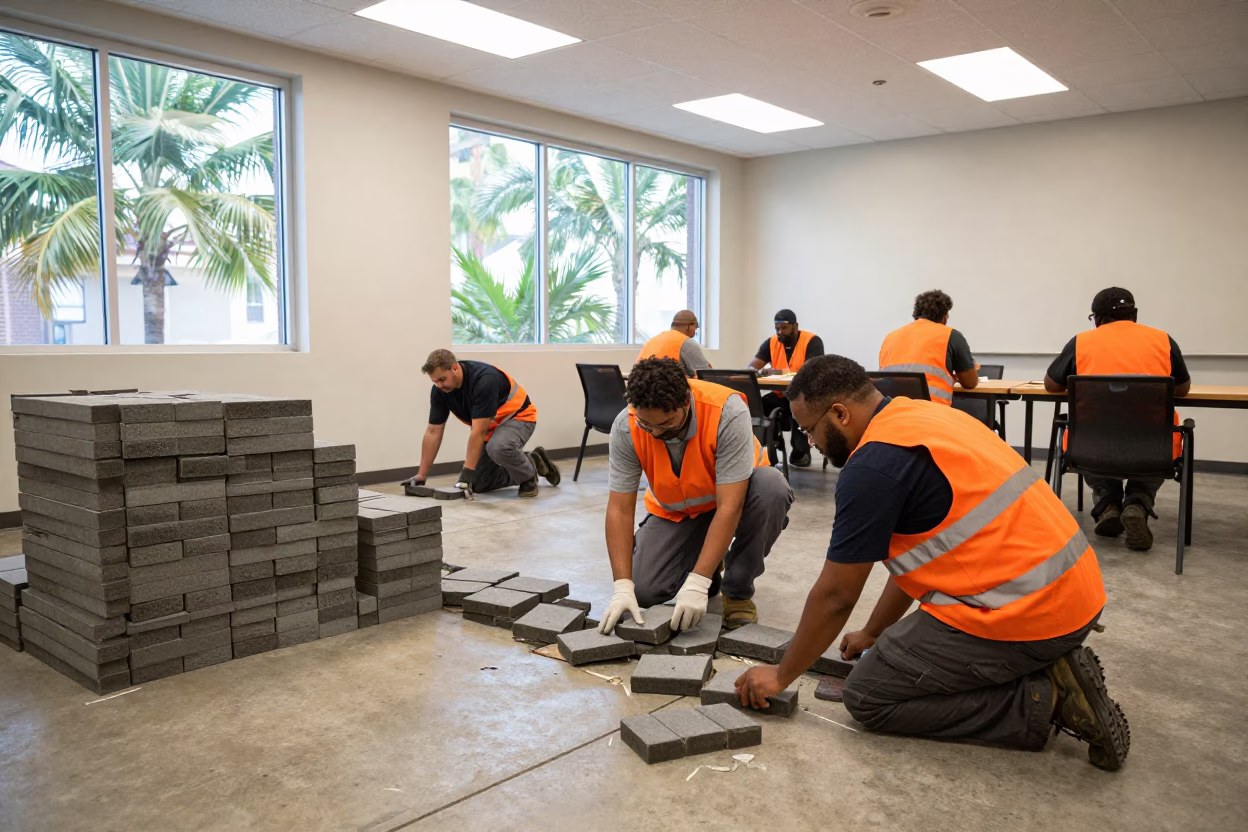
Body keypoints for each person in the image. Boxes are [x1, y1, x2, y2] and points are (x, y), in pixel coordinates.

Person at [736, 355, 1130, 771]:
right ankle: (1043, 665)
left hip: (1030, 611)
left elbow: (836, 595)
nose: (810, 441)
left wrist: (781, 675)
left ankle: (1046, 700)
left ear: (839, 413)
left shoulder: (872, 466)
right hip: (1074, 590)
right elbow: (923, 552)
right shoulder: (922, 416)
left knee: (870, 696)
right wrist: (874, 631)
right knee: (886, 653)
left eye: (809, 429)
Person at [599, 357, 793, 633]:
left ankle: (737, 592)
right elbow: (619, 509)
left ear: (686, 403)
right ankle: (709, 565)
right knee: (644, 590)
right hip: (678, 512)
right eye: (647, 425)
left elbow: (730, 505)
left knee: (772, 486)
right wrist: (622, 586)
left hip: (739, 500)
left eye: (665, 425)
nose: (654, 433)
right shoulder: (626, 425)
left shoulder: (725, 411)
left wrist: (697, 583)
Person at [1044, 287, 1190, 551]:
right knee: (1152, 442)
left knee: (1096, 437)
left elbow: (1051, 385)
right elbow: (1182, 389)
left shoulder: (1082, 341)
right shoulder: (1163, 340)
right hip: (1152, 448)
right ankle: (1136, 504)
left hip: (1090, 447)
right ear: (1133, 314)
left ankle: (1108, 505)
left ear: (1097, 318)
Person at [410, 349, 560, 498]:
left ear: (455, 367)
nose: (439, 386)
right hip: (490, 426)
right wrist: (421, 475)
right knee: (479, 484)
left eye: (442, 379)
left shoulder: (483, 380)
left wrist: (466, 475)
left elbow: (478, 432)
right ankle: (531, 461)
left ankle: (528, 477)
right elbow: (433, 432)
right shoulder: (440, 391)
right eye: (434, 381)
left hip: (518, 417)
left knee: (498, 447)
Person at [748, 309, 824, 467]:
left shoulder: (812, 341)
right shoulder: (771, 343)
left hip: (804, 395)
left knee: (801, 406)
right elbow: (751, 368)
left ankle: (800, 452)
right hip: (781, 395)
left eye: (784, 328)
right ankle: (768, 452)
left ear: (795, 327)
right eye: (777, 328)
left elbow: (811, 371)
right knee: (757, 406)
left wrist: (780, 372)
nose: (780, 332)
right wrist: (760, 371)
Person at [878, 289, 979, 405]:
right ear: (945, 316)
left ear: (916, 315)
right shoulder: (951, 336)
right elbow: (970, 383)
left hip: (892, 410)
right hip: (933, 411)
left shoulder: (890, 337)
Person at [637, 310, 711, 378]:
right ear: (689, 326)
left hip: (642, 389)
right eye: (695, 327)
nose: (695, 332)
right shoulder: (686, 342)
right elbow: (707, 375)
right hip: (669, 390)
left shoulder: (651, 341)